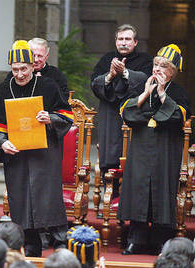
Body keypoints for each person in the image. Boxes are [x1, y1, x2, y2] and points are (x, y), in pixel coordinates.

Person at [0, 40, 73, 257]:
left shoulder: (49, 86)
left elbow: (67, 116)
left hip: (45, 155)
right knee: (22, 202)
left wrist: (50, 117)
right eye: (15, 69)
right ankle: (31, 246)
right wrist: (2, 142)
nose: (20, 74)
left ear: (33, 66)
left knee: (49, 200)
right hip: (17, 156)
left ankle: (61, 245)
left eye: (24, 69)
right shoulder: (5, 88)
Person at [118, 44, 191, 255]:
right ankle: (136, 239)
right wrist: (146, 94)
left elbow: (177, 118)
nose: (157, 69)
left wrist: (161, 94)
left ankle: (161, 240)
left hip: (165, 150)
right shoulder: (143, 85)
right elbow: (127, 114)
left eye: (164, 66)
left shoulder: (178, 92)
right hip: (141, 148)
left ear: (173, 71)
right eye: (156, 65)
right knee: (138, 190)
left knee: (161, 191)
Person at [91, 24, 153, 202]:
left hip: (136, 119)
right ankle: (110, 201)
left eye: (127, 39)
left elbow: (147, 81)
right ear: (115, 41)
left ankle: (132, 205)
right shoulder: (106, 59)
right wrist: (110, 75)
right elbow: (95, 83)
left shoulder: (145, 60)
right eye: (120, 39)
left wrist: (125, 72)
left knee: (135, 161)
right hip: (111, 118)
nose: (123, 43)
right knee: (109, 160)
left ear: (135, 42)